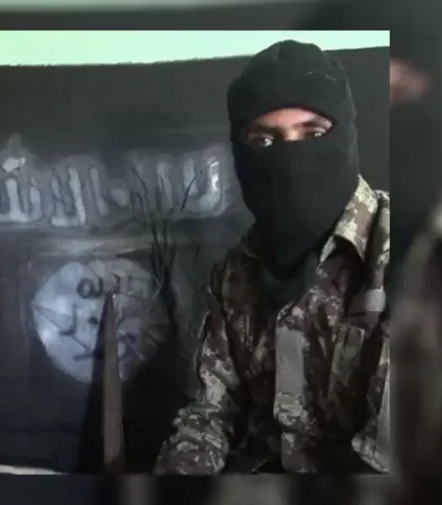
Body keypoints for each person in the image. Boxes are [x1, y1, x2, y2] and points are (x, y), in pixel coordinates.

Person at [154, 40, 390, 474]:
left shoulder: (404, 255)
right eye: (264, 140)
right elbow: (210, 413)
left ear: (346, 136)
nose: (291, 160)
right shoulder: (235, 272)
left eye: (313, 134)